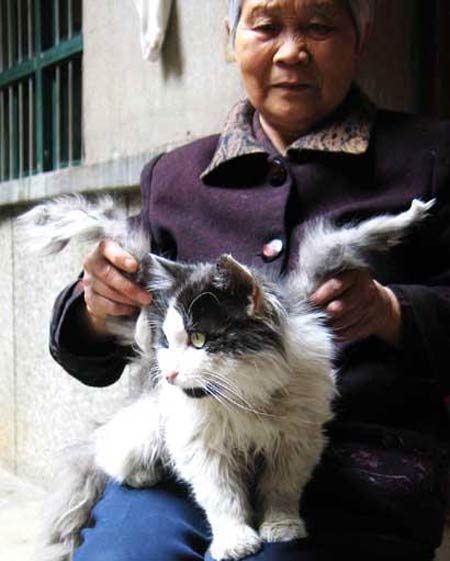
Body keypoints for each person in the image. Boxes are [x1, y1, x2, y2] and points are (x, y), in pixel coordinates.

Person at [49, 1, 450, 559]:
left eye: (318, 26)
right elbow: (93, 352)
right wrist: (97, 304)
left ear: (360, 40)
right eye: (266, 26)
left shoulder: (428, 157)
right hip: (193, 452)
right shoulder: (175, 177)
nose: (291, 52)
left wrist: (393, 311)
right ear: (230, 38)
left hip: (364, 459)